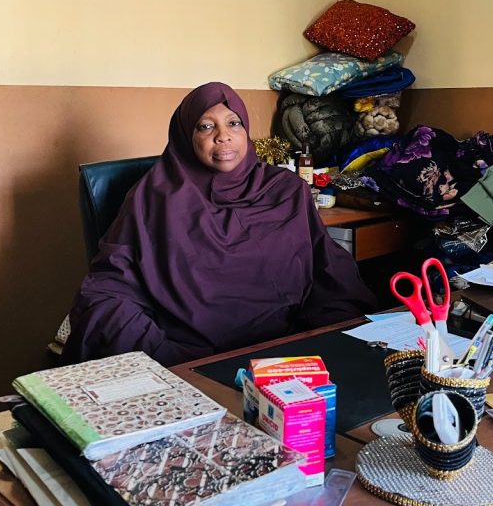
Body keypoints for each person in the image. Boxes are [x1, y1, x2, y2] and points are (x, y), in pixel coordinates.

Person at [61, 82, 376, 366]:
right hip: (185, 355)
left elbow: (327, 270)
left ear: (245, 131)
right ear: (187, 137)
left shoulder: (285, 190)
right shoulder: (154, 196)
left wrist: (312, 348)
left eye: (233, 123)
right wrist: (164, 358)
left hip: (283, 352)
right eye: (205, 126)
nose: (222, 135)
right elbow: (112, 284)